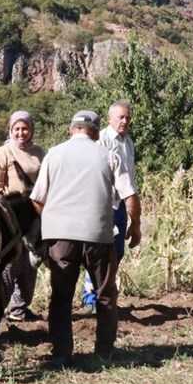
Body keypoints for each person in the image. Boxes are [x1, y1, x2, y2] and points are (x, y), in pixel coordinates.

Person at [30, 110, 138, 368]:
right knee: (105, 293)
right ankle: (103, 352)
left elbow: (36, 199)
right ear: (96, 132)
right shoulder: (107, 154)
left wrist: (50, 224)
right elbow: (129, 194)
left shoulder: (53, 154)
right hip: (98, 235)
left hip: (61, 237)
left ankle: (61, 353)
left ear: (71, 129)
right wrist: (136, 226)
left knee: (61, 296)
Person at [0, 110, 46, 322]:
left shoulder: (40, 152)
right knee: (11, 265)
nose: (21, 133)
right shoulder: (2, 153)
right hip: (12, 217)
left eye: (25, 128)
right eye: (17, 129)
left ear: (31, 129)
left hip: (36, 217)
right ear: (11, 130)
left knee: (31, 265)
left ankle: (20, 308)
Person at [82, 100, 142, 312]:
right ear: (110, 119)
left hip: (122, 203)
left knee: (117, 252)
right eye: (120, 117)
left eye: (127, 117)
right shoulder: (103, 140)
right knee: (99, 253)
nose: (125, 121)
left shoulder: (128, 142)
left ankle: (104, 293)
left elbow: (129, 177)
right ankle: (91, 298)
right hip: (104, 204)